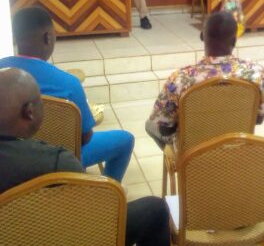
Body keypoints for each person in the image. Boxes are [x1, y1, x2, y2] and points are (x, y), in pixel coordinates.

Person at [0, 68, 170, 246]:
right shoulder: (57, 162)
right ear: (30, 112)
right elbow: (90, 215)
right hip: (55, 236)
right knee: (155, 210)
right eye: (41, 101)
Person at [0, 7, 134, 182]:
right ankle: (107, 193)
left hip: (9, 163)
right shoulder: (68, 83)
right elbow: (85, 137)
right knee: (125, 139)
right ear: (48, 38)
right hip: (59, 161)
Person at [146, 11, 264, 149]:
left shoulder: (180, 79)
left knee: (150, 125)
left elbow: (164, 128)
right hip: (237, 150)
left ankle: (179, 161)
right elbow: (259, 118)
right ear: (234, 41)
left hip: (194, 155)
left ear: (202, 36)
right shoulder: (255, 73)